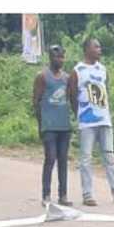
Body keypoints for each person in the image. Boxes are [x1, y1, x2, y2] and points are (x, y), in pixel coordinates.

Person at [68, 37, 114, 206]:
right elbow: (72, 96)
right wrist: (79, 114)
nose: (99, 50)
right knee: (86, 158)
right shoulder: (78, 71)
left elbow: (106, 91)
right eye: (96, 47)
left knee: (109, 157)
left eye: (99, 47)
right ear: (87, 49)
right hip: (87, 122)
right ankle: (87, 194)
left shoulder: (103, 69)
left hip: (104, 120)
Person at [33, 44, 73, 207]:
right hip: (49, 126)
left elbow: (70, 99)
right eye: (57, 57)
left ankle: (63, 195)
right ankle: (46, 195)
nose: (60, 60)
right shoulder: (42, 76)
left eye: (62, 57)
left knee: (63, 160)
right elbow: (36, 102)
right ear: (50, 57)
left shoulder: (67, 78)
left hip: (64, 126)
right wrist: (40, 125)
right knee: (50, 159)